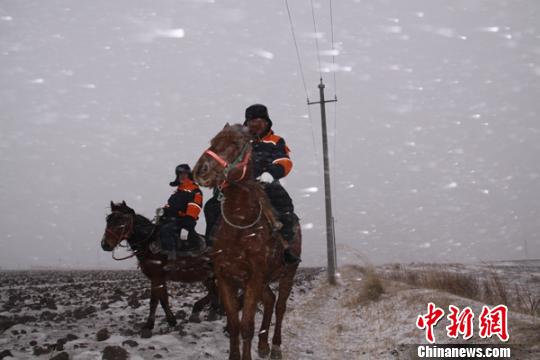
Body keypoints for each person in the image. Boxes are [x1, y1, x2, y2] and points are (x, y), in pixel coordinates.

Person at [204, 104, 301, 264]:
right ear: (246, 123)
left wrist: (271, 173)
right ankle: (211, 249)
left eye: (259, 120)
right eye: (251, 121)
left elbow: (284, 161)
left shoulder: (275, 141)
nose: (255, 124)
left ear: (266, 122)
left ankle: (285, 248)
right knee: (212, 206)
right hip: (239, 185)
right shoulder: (239, 143)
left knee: (285, 207)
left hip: (265, 183)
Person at [160, 164, 203, 271]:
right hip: (171, 219)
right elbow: (170, 205)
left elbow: (195, 205)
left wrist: (189, 218)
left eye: (184, 174)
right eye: (180, 174)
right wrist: (164, 212)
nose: (182, 176)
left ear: (189, 175)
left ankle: (173, 260)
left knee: (166, 230)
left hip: (183, 220)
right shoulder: (177, 191)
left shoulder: (194, 189)